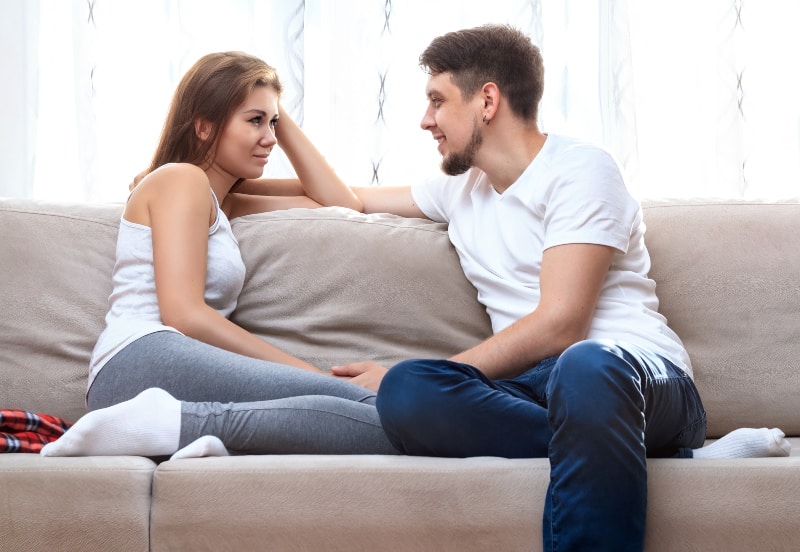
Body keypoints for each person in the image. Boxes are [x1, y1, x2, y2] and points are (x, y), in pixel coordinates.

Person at [228, 24, 791, 551]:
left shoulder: (581, 169)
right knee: (405, 392)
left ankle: (651, 438)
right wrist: (218, 187)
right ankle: (663, 455)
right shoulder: (461, 188)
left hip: (633, 375)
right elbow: (344, 199)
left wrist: (456, 370)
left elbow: (562, 324)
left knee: (583, 365)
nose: (427, 120)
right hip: (537, 390)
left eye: (438, 100)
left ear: (488, 101)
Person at [40, 51, 398, 459]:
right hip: (138, 359)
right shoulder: (181, 179)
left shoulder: (226, 202)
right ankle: (163, 424)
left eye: (273, 122)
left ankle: (183, 427)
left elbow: (339, 203)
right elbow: (184, 314)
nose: (271, 138)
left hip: (161, 370)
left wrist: (273, 106)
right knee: (373, 410)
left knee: (377, 418)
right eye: (254, 121)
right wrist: (310, 373)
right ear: (204, 126)